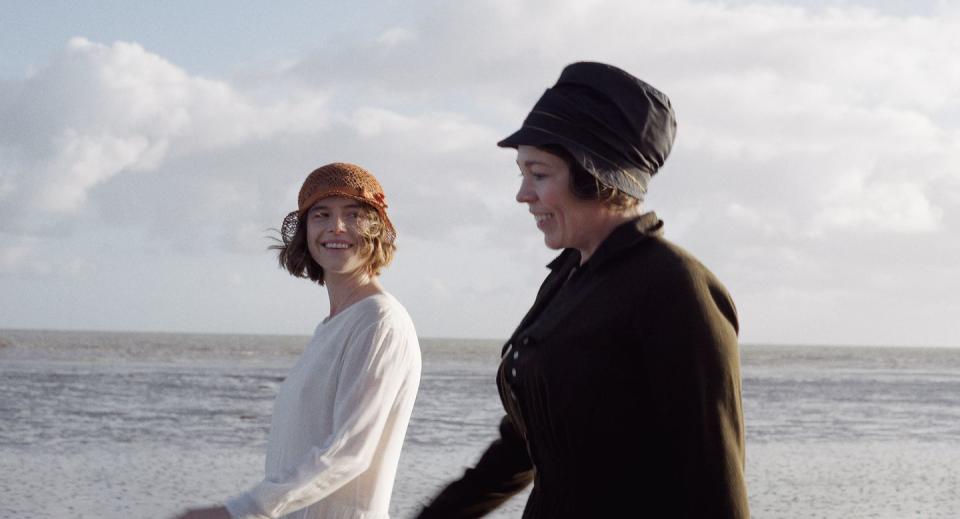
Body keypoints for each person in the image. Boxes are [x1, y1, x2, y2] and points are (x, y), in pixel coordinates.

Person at [416, 62, 749, 518]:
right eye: (522, 173)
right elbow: (524, 444)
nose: (522, 195)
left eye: (539, 174)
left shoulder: (676, 288)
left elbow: (715, 482)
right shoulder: (568, 278)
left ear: (596, 176)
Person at [175, 162, 421, 519]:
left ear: (375, 229)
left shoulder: (379, 321)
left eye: (353, 215)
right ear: (305, 231)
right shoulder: (332, 326)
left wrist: (239, 511)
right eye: (321, 214)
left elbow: (351, 450)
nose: (336, 227)